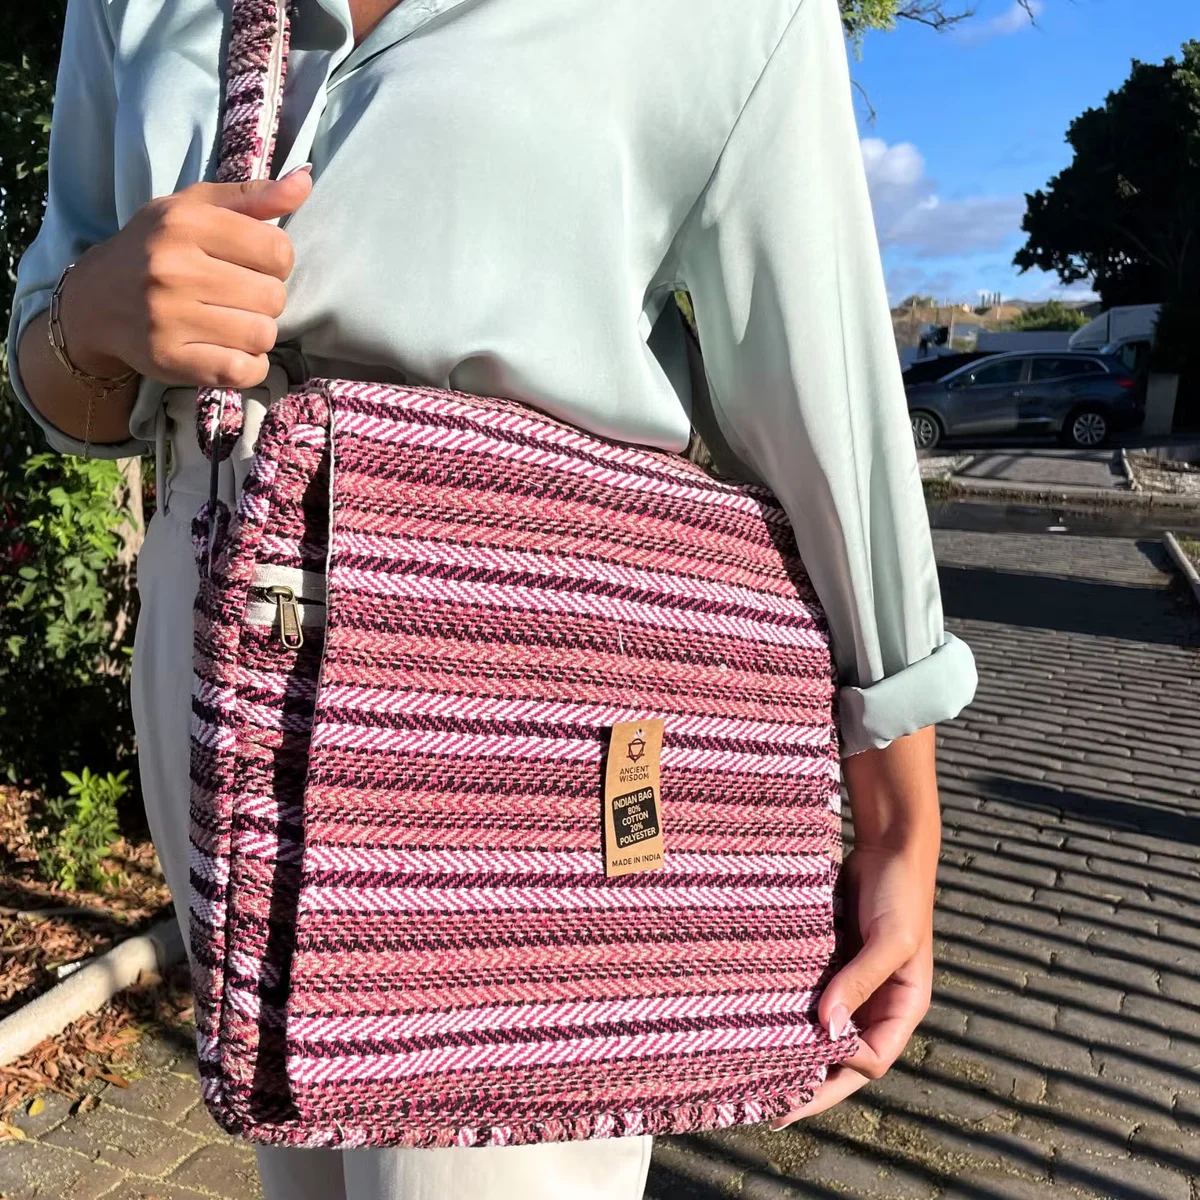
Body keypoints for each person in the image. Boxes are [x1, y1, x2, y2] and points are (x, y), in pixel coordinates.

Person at [8, 0, 978, 1196]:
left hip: (517, 677)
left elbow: (825, 395)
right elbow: (64, 384)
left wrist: (898, 823)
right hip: (213, 649)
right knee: (292, 1153)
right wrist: (97, 315)